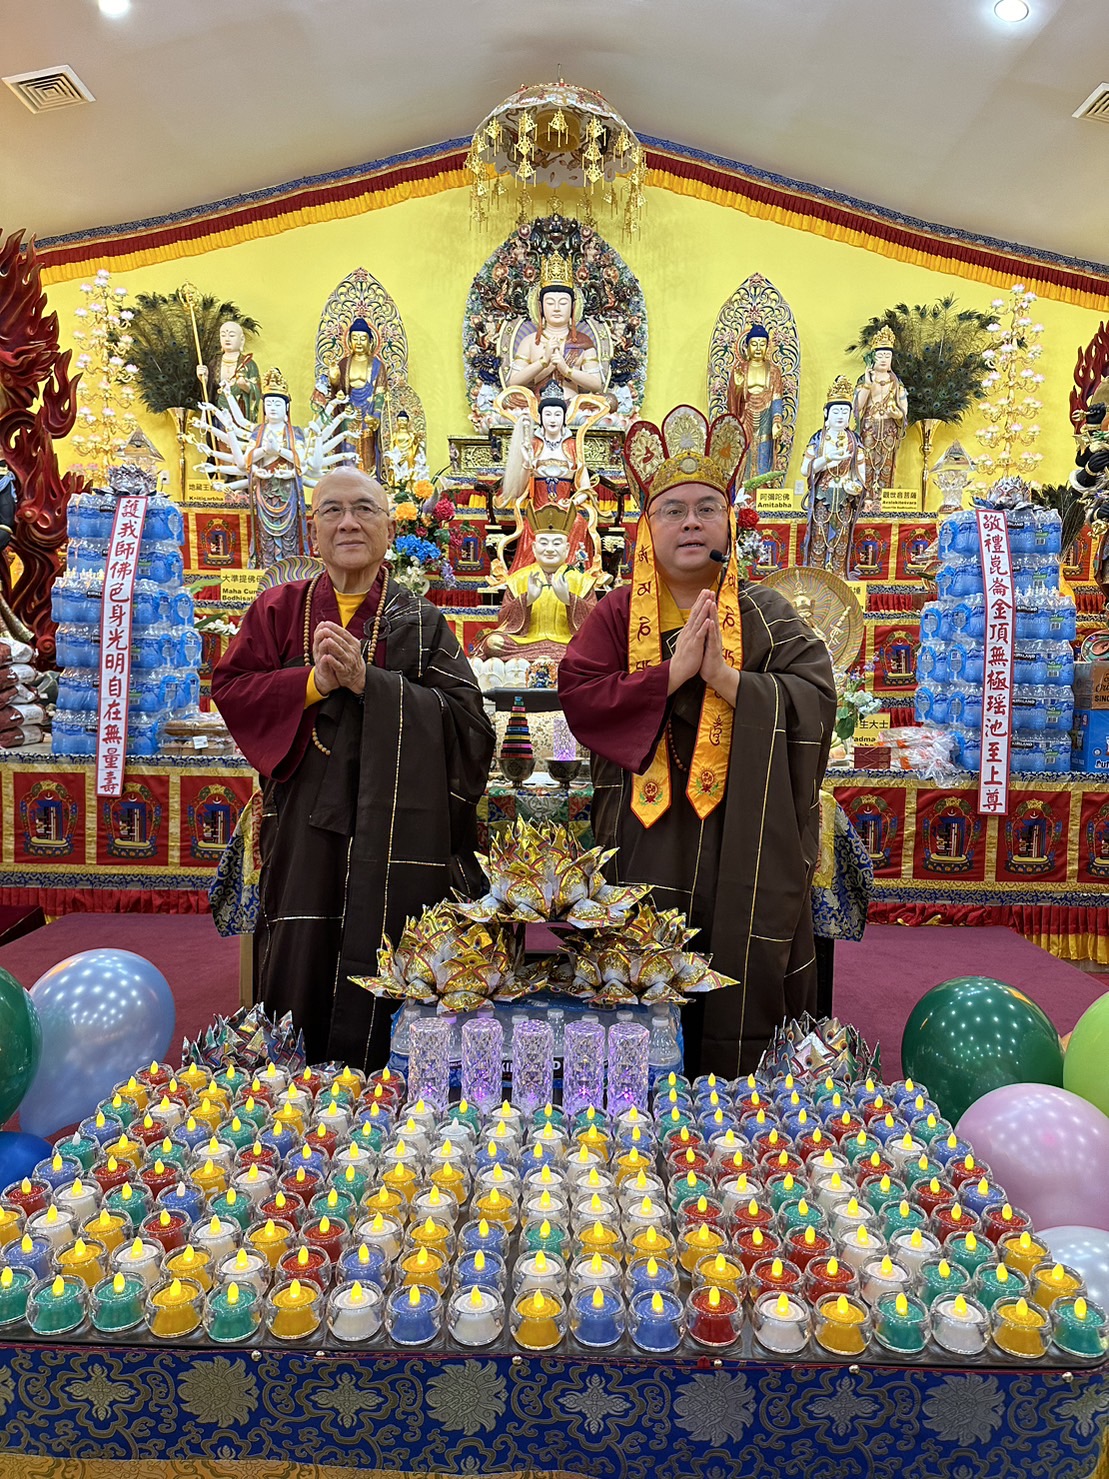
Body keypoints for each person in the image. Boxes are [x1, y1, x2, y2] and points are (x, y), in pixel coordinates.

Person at [558, 407, 836, 1075]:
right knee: (640, 961)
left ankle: (745, 1093)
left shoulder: (765, 611)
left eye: (707, 509)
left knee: (741, 950)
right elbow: (581, 695)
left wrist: (727, 679)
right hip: (644, 830)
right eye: (672, 510)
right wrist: (671, 674)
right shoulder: (616, 613)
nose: (690, 522)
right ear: (646, 528)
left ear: (728, 525)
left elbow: (815, 700)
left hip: (745, 832)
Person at [211, 467, 495, 1069]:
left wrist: (372, 684)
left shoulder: (421, 621)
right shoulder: (277, 610)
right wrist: (313, 684)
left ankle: (395, 1087)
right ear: (312, 530)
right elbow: (232, 689)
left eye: (365, 509)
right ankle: (295, 1087)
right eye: (333, 511)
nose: (348, 523)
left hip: (397, 826)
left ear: (389, 529)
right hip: (303, 825)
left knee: (390, 943)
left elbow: (470, 726)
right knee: (302, 944)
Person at [476, 507, 598, 660]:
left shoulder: (582, 580)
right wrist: (527, 599)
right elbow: (504, 619)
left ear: (567, 549)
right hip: (526, 642)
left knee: (595, 645)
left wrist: (569, 599)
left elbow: (594, 622)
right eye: (544, 543)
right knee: (494, 643)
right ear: (534, 548)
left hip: (567, 641)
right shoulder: (519, 578)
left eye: (557, 544)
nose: (550, 549)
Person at [507, 256, 604, 400]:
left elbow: (596, 385)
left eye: (563, 303)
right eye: (550, 303)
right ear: (541, 308)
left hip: (572, 405)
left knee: (605, 402)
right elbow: (513, 383)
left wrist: (566, 370)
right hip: (538, 405)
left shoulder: (583, 342)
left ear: (572, 307)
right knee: (510, 402)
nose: (557, 308)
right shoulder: (530, 341)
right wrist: (544, 361)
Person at [801, 377, 868, 577]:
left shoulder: (854, 441)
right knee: (819, 539)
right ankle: (816, 577)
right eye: (836, 411)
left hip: (845, 499)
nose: (840, 416)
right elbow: (805, 470)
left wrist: (856, 485)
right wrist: (827, 458)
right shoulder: (819, 439)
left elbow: (862, 475)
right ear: (826, 413)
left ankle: (839, 577)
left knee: (842, 540)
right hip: (822, 497)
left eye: (845, 412)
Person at [316, 317, 387, 477]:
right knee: (348, 446)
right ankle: (347, 479)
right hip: (349, 412)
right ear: (349, 341)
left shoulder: (377, 365)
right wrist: (335, 381)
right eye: (355, 338)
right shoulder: (343, 364)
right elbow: (339, 391)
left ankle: (369, 482)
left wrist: (376, 417)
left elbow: (380, 394)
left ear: (370, 341)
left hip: (368, 412)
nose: (359, 342)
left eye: (363, 338)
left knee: (367, 449)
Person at [852, 327, 909, 512]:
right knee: (867, 462)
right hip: (869, 426)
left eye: (887, 355)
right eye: (880, 355)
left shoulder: (896, 382)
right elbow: (857, 407)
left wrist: (896, 414)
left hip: (889, 430)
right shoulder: (866, 380)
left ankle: (883, 499)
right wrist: (868, 386)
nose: (884, 359)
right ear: (872, 358)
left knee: (886, 464)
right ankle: (866, 499)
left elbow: (904, 411)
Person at [727, 325, 784, 483]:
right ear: (746, 347)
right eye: (754, 344)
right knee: (745, 455)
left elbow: (776, 398)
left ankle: (762, 490)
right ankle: (742, 491)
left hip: (766, 417)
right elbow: (733, 399)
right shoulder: (740, 369)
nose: (758, 348)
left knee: (763, 455)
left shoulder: (773, 371)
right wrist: (738, 386)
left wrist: (777, 421)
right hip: (746, 417)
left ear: (767, 347)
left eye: (762, 344)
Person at [197, 319, 261, 428]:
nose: (227, 339)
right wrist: (204, 380)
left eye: (231, 335)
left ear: (241, 340)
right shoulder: (214, 363)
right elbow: (209, 395)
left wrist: (246, 386)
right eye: (223, 335)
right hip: (218, 415)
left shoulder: (249, 364)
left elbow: (257, 391)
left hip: (239, 416)